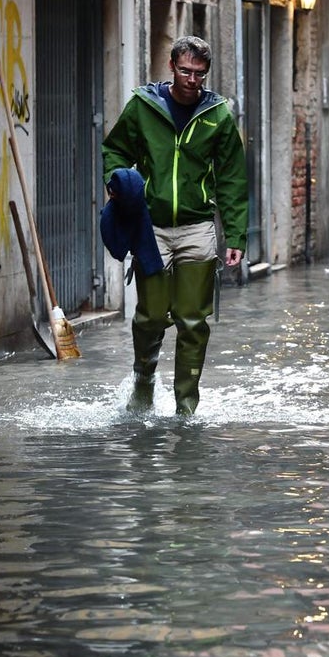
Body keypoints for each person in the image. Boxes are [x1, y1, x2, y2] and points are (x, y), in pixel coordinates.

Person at [101, 36, 248, 416]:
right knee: (150, 315)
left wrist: (235, 235)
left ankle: (186, 406)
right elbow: (115, 148)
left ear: (206, 74)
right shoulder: (143, 106)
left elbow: (232, 178)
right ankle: (144, 380)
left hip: (198, 226)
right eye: (185, 70)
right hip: (151, 227)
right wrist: (115, 181)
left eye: (200, 73)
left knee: (192, 320)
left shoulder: (217, 115)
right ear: (171, 66)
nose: (192, 79)